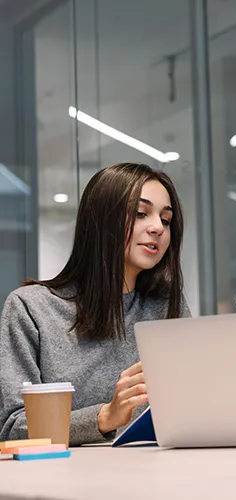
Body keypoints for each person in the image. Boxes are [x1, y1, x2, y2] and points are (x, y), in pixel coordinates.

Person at [0, 162, 190, 446]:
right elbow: (12, 427)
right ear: (102, 221)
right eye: (141, 213)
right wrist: (104, 417)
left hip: (161, 477)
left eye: (166, 219)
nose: (157, 228)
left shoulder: (167, 307)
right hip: (66, 483)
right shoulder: (31, 309)